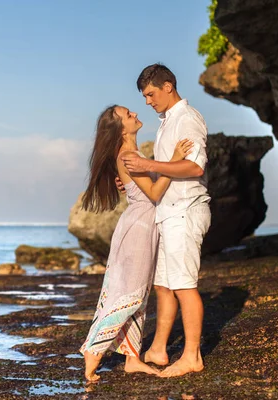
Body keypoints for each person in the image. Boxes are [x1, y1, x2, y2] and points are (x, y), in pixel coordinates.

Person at [79, 104, 193, 382]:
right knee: (129, 294)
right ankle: (93, 350)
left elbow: (142, 186)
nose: (134, 115)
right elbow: (154, 192)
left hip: (142, 225)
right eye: (128, 115)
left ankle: (132, 358)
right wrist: (174, 162)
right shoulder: (128, 154)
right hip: (139, 228)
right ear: (120, 128)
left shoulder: (132, 154)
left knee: (138, 295)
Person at [121, 63, 211, 378]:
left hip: (185, 210)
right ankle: (158, 349)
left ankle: (191, 357)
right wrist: (135, 178)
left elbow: (194, 168)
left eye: (150, 94)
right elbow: (164, 172)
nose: (147, 101)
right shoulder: (167, 122)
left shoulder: (187, 119)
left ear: (168, 86)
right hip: (167, 212)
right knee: (163, 285)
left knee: (185, 286)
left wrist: (147, 162)